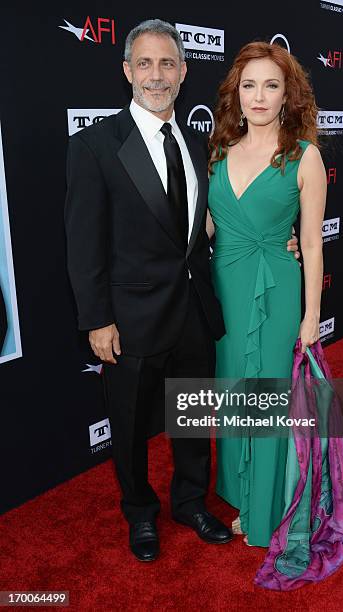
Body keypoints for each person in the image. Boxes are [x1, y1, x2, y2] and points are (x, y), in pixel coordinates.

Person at [64, 19, 301, 563]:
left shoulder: (202, 147)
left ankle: (191, 502)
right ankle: (140, 513)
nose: (156, 75)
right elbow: (83, 244)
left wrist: (278, 239)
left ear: (184, 71)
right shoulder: (96, 147)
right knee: (127, 427)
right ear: (126, 71)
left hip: (195, 311)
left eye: (167, 63)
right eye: (144, 64)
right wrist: (97, 319)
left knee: (193, 416)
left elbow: (217, 222)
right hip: (130, 318)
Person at [207, 42, 326, 548]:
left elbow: (314, 240)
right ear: (237, 92)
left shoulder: (305, 156)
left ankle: (269, 504)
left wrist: (311, 315)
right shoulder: (217, 153)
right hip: (225, 292)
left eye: (271, 85)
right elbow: (205, 229)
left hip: (278, 291)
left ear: (287, 95)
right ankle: (242, 491)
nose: (258, 96)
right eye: (249, 85)